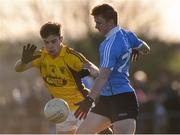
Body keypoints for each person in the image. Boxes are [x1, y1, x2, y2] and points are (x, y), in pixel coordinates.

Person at [74, 3, 150, 134]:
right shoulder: (128, 35)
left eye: (99, 23)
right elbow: (146, 49)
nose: (96, 26)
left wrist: (89, 100)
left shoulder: (109, 44)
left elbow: (103, 76)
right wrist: (136, 47)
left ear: (110, 22)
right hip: (106, 100)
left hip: (122, 99)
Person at [14, 22, 100, 134]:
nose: (50, 45)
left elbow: (95, 69)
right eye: (46, 42)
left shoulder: (71, 56)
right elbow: (18, 69)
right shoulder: (40, 56)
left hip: (82, 106)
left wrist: (90, 70)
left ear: (61, 39)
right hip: (61, 109)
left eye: (53, 41)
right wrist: (23, 61)